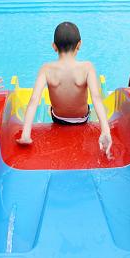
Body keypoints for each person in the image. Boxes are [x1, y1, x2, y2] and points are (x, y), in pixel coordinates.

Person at [16, 21, 112, 157]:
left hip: (58, 118)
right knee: (97, 105)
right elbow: (96, 98)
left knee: (49, 106)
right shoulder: (87, 67)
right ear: (79, 45)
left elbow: (34, 100)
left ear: (54, 46)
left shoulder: (46, 69)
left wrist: (26, 133)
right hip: (82, 119)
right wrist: (105, 130)